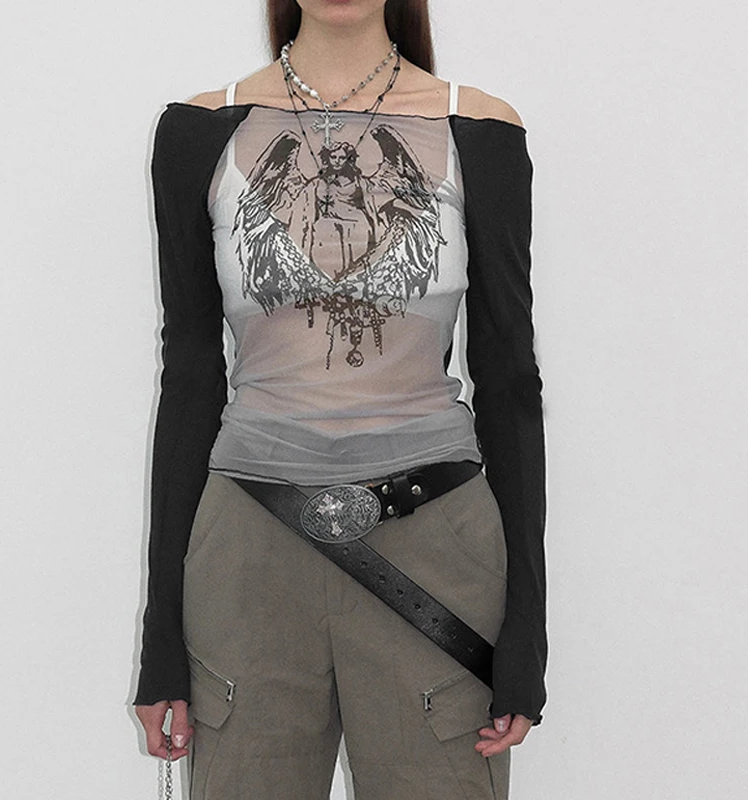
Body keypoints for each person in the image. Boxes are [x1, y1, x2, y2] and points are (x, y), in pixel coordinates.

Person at [134, 1, 548, 797]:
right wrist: (162, 637)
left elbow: (509, 382)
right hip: (247, 554)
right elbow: (188, 380)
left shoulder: (477, 129)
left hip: (438, 553)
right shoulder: (199, 132)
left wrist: (528, 626)